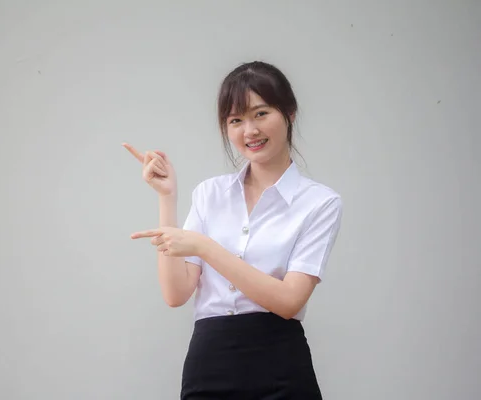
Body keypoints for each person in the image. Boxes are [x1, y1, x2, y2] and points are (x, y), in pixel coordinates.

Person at [123, 61, 343, 399]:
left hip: (280, 362)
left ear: (290, 113)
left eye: (260, 113)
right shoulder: (210, 194)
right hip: (208, 361)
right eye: (236, 120)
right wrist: (167, 199)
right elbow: (176, 294)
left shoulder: (319, 202)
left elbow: (288, 301)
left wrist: (206, 248)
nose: (249, 131)